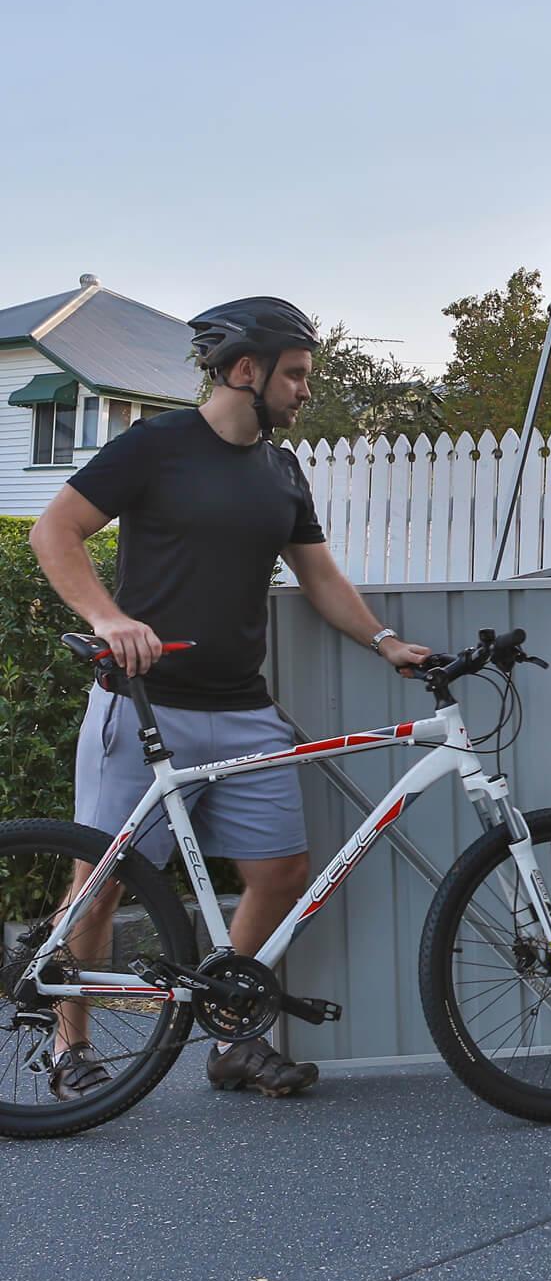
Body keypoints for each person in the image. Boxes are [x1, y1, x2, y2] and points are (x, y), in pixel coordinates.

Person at [29, 297, 430, 1099]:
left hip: (244, 710)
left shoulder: (281, 469)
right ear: (245, 371)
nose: (305, 389)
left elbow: (318, 573)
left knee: (281, 874)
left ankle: (229, 1038)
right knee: (100, 886)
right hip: (143, 705)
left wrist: (384, 640)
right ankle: (70, 1050)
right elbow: (55, 532)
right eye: (295, 374)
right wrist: (108, 617)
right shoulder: (156, 445)